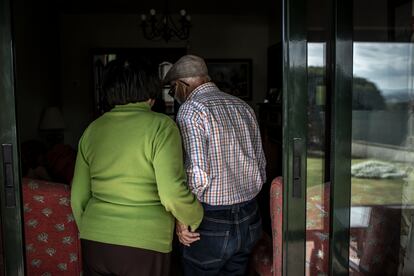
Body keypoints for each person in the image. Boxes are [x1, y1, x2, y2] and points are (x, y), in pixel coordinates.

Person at [71, 59, 203, 276]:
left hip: (94, 240)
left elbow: (78, 197)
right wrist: (193, 216)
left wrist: (92, 229)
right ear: (151, 92)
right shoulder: (162, 127)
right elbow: (171, 193)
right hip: (144, 242)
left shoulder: (92, 130)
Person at [163, 54, 266, 275]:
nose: (175, 96)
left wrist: (183, 217)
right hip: (250, 216)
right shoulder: (242, 106)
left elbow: (197, 175)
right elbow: (261, 165)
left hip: (210, 221)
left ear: (182, 85)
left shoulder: (191, 110)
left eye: (173, 90)